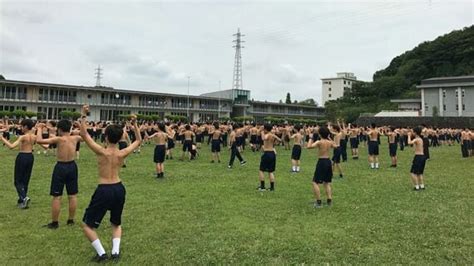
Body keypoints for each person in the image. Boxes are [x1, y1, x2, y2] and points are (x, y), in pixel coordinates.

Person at [80, 105, 142, 262]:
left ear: (106, 137)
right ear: (121, 137)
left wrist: (84, 115)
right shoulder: (123, 153)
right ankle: (115, 252)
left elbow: (84, 134)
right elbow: (139, 140)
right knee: (116, 222)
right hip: (119, 188)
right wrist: (135, 124)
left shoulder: (101, 151)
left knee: (88, 225)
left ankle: (101, 253)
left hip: (104, 189)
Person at [37, 119, 83, 229]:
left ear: (60, 129)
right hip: (72, 166)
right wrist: (80, 126)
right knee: (72, 195)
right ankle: (70, 220)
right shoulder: (75, 138)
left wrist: (39, 128)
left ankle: (55, 222)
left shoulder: (58, 139)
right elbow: (85, 135)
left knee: (57, 196)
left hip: (61, 167)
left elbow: (39, 140)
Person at [0, 119, 36, 209]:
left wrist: (2, 139)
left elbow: (11, 146)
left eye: (22, 126)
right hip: (30, 156)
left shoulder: (23, 137)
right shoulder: (34, 136)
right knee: (25, 180)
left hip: (22, 156)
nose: (21, 128)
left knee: (18, 181)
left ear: (26, 127)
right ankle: (21, 200)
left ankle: (24, 197)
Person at [307, 126, 336, 208]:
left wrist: (310, 138)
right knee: (326, 182)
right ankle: (329, 201)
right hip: (328, 161)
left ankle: (319, 202)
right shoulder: (329, 142)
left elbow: (309, 146)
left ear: (320, 134)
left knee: (315, 182)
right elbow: (336, 146)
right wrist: (329, 138)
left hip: (322, 162)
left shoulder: (319, 142)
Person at [257, 124, 281, 191]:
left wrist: (262, 132)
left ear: (266, 129)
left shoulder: (268, 134)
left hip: (267, 153)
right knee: (270, 171)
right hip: (272, 153)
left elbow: (264, 138)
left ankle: (262, 187)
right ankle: (272, 187)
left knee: (261, 170)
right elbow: (280, 140)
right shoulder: (272, 134)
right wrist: (274, 142)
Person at [408, 126, 427, 191]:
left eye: (413, 132)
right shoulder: (420, 139)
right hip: (422, 156)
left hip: (418, 157)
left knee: (413, 172)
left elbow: (409, 143)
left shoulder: (417, 139)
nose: (412, 133)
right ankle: (422, 185)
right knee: (420, 173)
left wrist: (408, 136)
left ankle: (417, 186)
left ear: (415, 133)